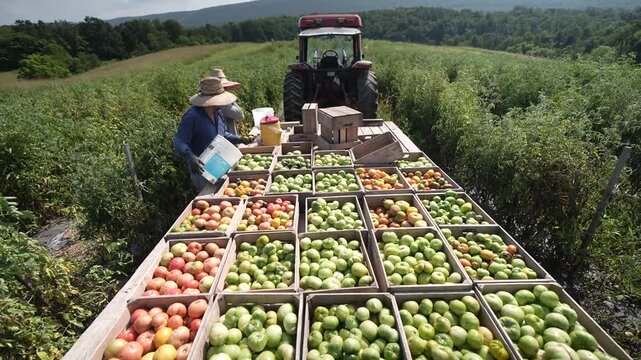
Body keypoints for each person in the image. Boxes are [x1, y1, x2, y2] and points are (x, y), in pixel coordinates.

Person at [173, 76, 248, 192]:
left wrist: (240, 139)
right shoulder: (192, 117)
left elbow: (221, 135)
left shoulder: (218, 113)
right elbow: (179, 141)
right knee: (208, 198)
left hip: (218, 165)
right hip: (202, 171)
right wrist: (191, 157)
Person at [210, 69, 245, 136]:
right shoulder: (223, 103)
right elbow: (240, 115)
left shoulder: (213, 102)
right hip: (228, 141)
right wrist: (231, 99)